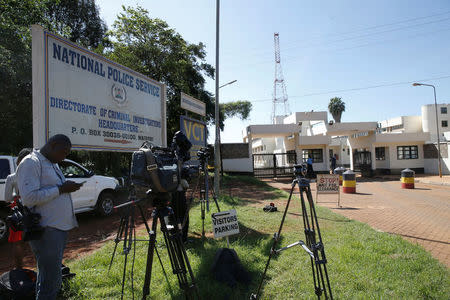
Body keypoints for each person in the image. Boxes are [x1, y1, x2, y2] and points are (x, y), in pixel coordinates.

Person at [17, 134, 82, 300]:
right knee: (51, 280)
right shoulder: (31, 162)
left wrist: (66, 188)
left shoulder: (51, 163)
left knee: (48, 276)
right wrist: (61, 189)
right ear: (52, 145)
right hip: (46, 230)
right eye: (64, 152)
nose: (65, 156)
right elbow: (29, 198)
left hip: (56, 229)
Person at [4, 148, 33, 269]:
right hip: (34, 210)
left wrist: (16, 196)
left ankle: (19, 269)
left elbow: (7, 198)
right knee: (36, 240)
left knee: (17, 243)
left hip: (19, 212)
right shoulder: (37, 176)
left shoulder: (12, 177)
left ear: (18, 160)